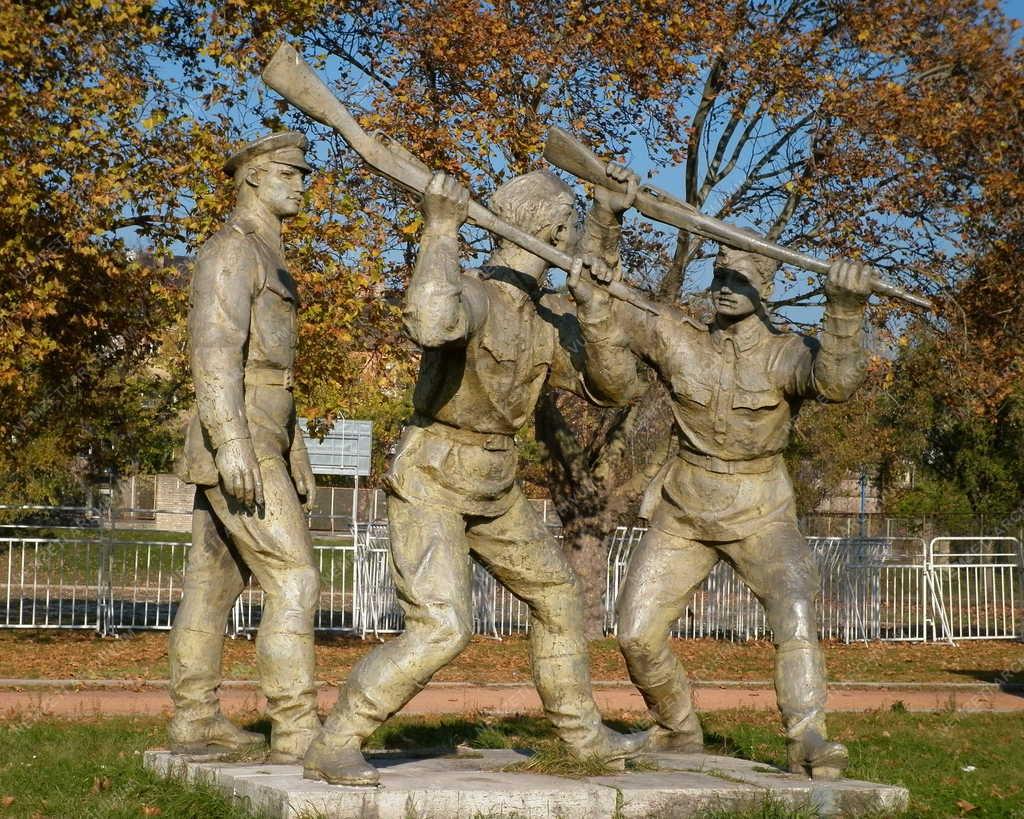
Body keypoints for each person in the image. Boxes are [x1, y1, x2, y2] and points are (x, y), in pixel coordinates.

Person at [303, 170, 647, 785]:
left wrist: (596, 308)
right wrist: (439, 228)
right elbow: (433, 324)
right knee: (443, 626)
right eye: (572, 227)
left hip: (496, 481)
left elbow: (617, 388)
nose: (574, 239)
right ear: (551, 230)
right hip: (433, 472)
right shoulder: (474, 293)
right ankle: (336, 741)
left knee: (559, 596)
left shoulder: (547, 319)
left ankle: (581, 735)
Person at [574, 166, 872, 779]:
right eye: (720, 277)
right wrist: (606, 218)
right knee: (634, 632)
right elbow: (604, 294)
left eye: (744, 278)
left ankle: (808, 736)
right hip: (685, 507)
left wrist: (844, 311)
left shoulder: (787, 354)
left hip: (760, 507)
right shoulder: (680, 338)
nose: (727, 288)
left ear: (766, 285)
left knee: (793, 611)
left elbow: (837, 385)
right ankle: (677, 729)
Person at [169, 131, 320, 763]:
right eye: (290, 172)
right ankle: (296, 729)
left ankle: (193, 718)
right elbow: (214, 351)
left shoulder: (268, 253)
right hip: (240, 434)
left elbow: (273, 369)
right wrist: (234, 444)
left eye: (304, 174)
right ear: (253, 176)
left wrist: (295, 447)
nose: (302, 183)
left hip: (266, 432)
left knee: (211, 584)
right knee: (296, 577)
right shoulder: (231, 252)